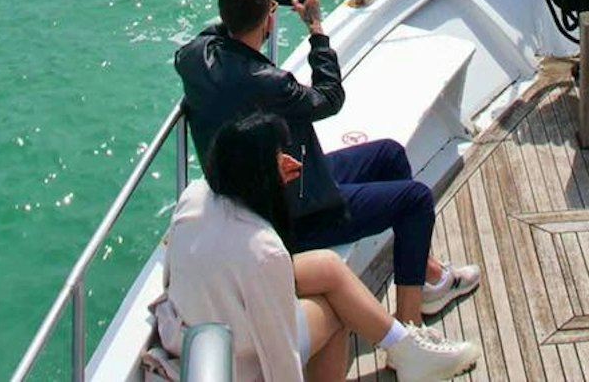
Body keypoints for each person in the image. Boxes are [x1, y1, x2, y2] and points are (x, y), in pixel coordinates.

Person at [175, 0, 480, 323]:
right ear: (267, 20)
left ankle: (425, 274)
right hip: (291, 213)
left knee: (389, 154)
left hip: (258, 186)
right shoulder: (269, 84)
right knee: (416, 201)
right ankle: (411, 322)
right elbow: (330, 98)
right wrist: (316, 28)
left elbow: (237, 12)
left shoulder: (194, 57)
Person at [157, 112, 479, 382]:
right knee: (334, 311)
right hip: (238, 356)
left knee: (327, 265)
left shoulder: (195, 196)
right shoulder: (264, 250)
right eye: (276, 157)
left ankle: (406, 346)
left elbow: (172, 271)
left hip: (192, 325)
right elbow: (278, 348)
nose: (288, 161)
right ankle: (409, 353)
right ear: (256, 174)